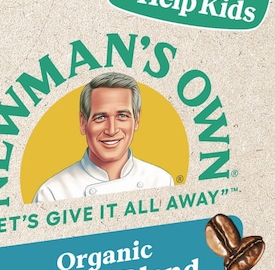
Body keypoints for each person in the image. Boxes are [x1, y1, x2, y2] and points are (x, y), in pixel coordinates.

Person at [33, 72, 173, 202]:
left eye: (122, 116)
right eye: (100, 118)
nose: (111, 130)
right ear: (83, 123)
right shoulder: (52, 194)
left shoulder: (161, 182)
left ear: (136, 120)